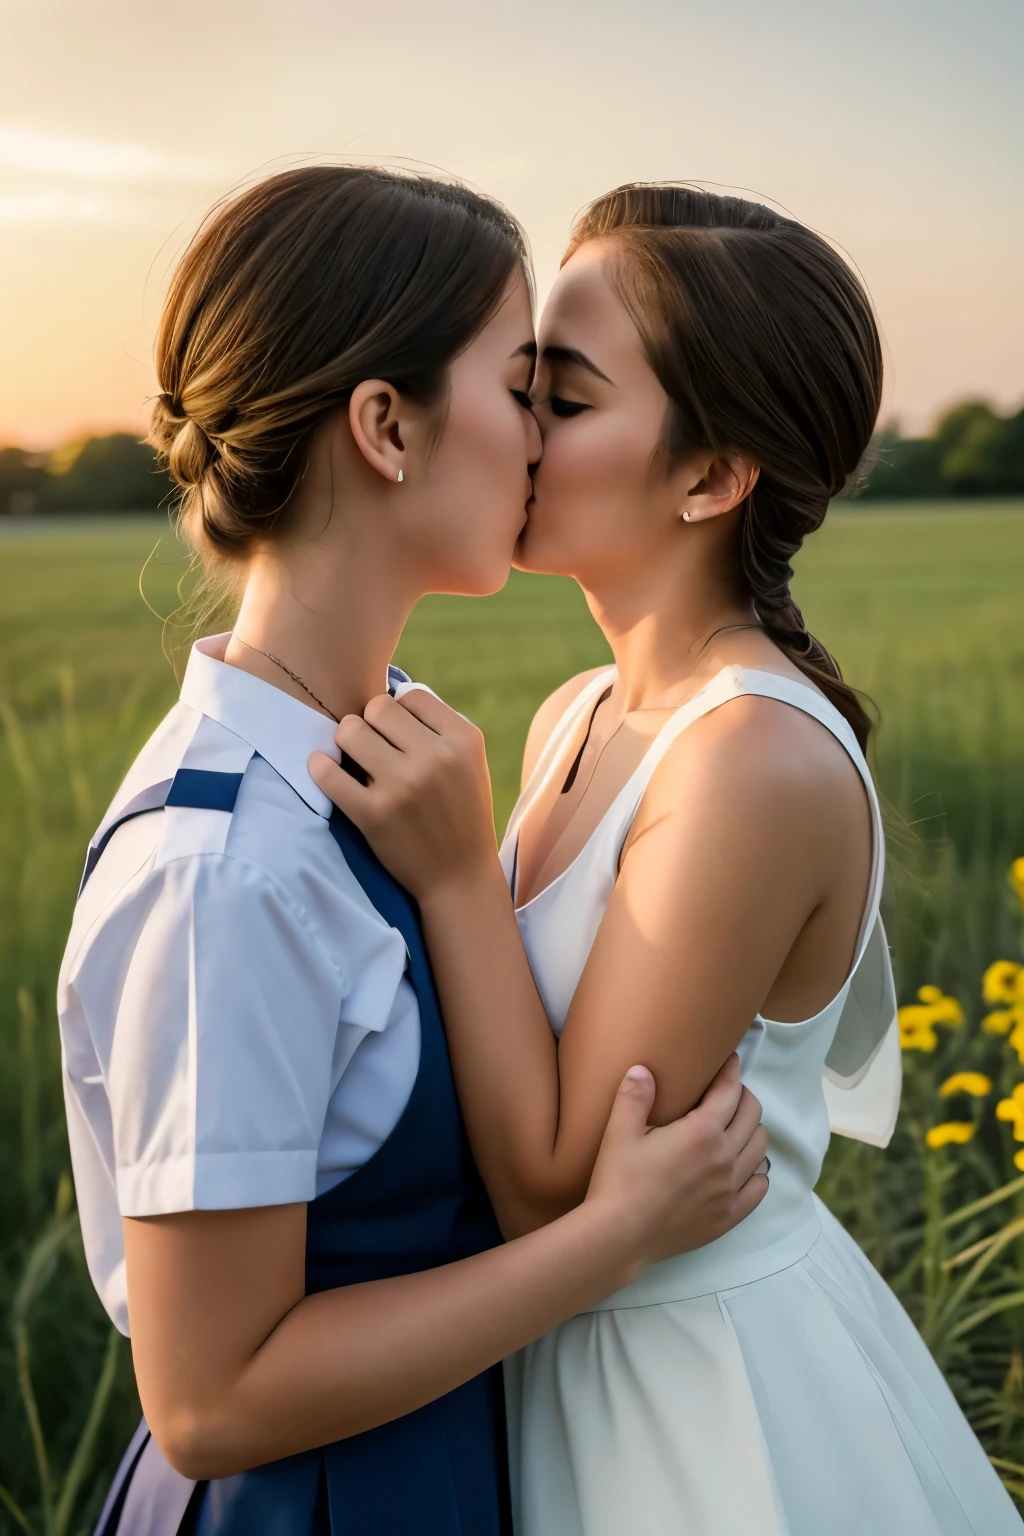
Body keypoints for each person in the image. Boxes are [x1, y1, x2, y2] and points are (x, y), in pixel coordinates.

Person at [57, 168, 770, 1536]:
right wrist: (605, 1242)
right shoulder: (227, 868)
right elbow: (212, 1400)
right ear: (386, 426)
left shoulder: (376, 766)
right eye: (522, 390)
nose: (543, 446)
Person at [314, 183, 1023, 1534]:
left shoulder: (747, 759)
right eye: (521, 387)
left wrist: (460, 875)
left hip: (698, 1408)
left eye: (564, 402)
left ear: (711, 475)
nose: (510, 433)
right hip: (558, 1361)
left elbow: (551, 1188)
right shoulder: (578, 711)